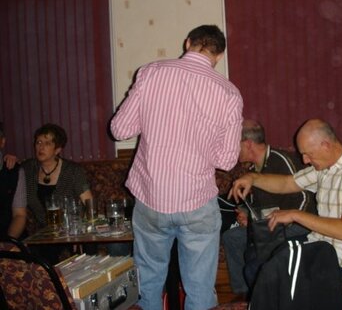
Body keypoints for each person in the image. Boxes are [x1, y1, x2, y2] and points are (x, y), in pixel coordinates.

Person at [110, 24, 243, 310]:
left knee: (149, 285)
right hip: (196, 200)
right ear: (218, 56)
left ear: (188, 43)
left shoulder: (152, 72)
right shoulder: (229, 93)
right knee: (199, 288)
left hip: (151, 197)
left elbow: (120, 130)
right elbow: (227, 160)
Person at [230, 118, 342, 283]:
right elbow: (287, 183)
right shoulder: (326, 167)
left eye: (307, 153)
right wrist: (252, 177)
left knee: (262, 270)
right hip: (322, 245)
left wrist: (295, 215)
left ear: (325, 145)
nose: (304, 160)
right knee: (259, 254)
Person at [222, 119, 315, 296]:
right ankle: (243, 295)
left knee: (256, 252)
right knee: (232, 237)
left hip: (297, 225)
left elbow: (305, 198)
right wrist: (247, 214)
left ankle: (261, 294)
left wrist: (282, 223)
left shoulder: (279, 160)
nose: (233, 149)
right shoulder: (252, 169)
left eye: (235, 144)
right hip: (270, 224)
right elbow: (264, 207)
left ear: (248, 144)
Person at [22, 123, 92, 263]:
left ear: (58, 149)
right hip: (43, 233)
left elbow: (89, 204)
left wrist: (78, 233)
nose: (41, 147)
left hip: (70, 229)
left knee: (88, 249)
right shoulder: (27, 169)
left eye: (47, 143)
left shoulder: (73, 171)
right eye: (38, 142)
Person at [0, 122, 27, 239]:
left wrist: (8, 242)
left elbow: (19, 215)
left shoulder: (14, 171)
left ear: (2, 142)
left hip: (9, 237)